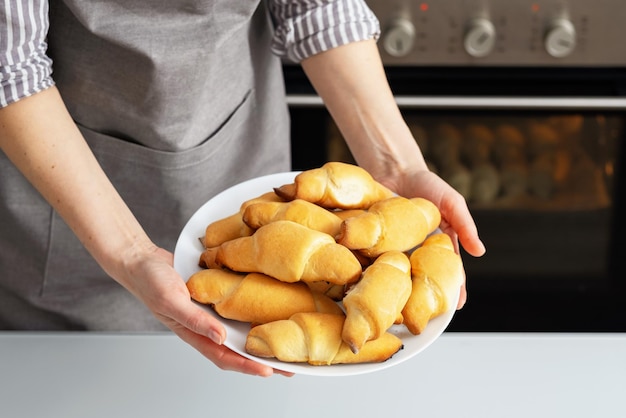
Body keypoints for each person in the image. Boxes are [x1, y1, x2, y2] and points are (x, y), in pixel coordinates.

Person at [0, 0, 485, 377]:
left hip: (252, 179)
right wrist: (128, 251)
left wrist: (395, 167)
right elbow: (10, 70)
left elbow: (316, 4)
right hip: (67, 210)